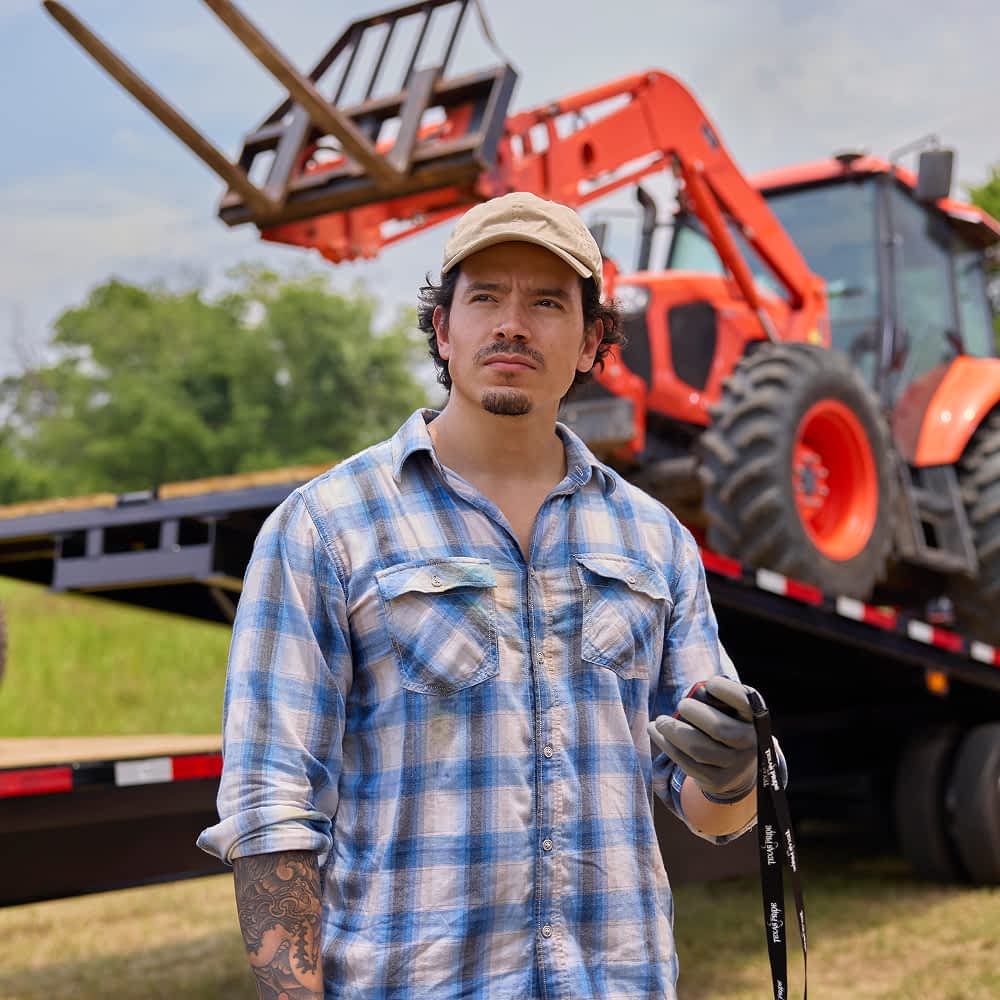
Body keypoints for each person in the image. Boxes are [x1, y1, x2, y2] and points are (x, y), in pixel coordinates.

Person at [199, 191, 765, 999]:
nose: (512, 324)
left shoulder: (655, 541)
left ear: (592, 339)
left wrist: (732, 775)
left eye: (546, 302)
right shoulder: (326, 528)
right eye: (485, 297)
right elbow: (271, 804)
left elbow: (711, 812)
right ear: (444, 327)